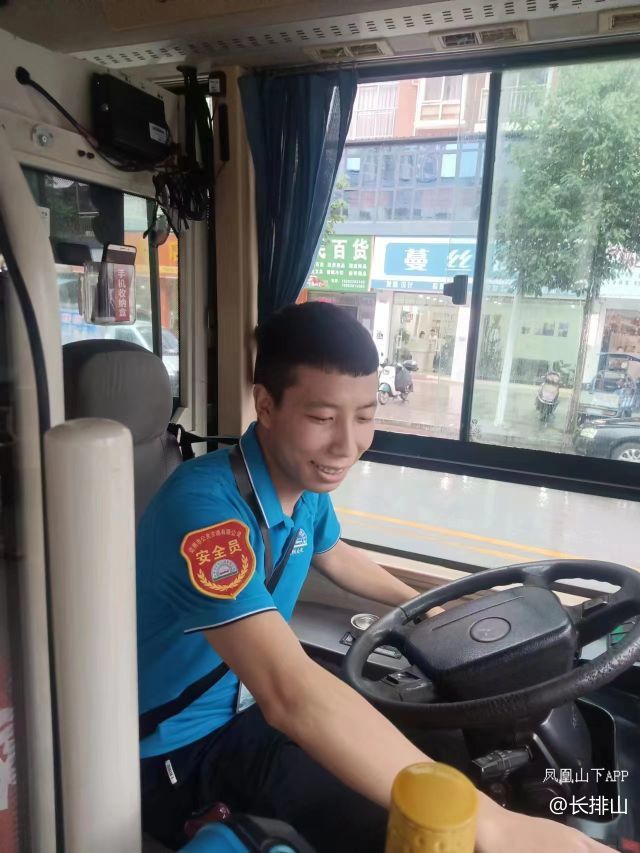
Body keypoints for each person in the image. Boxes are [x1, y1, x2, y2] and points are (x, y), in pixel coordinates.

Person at [137, 302, 609, 853]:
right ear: (265, 405)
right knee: (402, 827)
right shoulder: (205, 516)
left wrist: (426, 606)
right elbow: (289, 694)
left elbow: (334, 555)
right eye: (322, 418)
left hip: (249, 705)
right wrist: (499, 828)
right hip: (184, 749)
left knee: (439, 748)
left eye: (363, 416)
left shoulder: (300, 484)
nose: (347, 445)